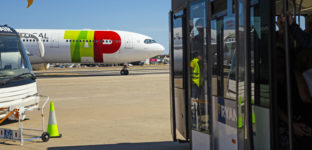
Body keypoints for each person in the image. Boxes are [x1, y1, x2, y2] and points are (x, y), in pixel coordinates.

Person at [190, 52, 202, 129]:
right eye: (200, 55)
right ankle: (193, 111)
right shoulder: (193, 62)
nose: (201, 57)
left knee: (197, 98)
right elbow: (190, 70)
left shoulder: (197, 62)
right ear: (197, 56)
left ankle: (196, 109)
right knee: (194, 99)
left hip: (198, 83)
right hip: (194, 83)